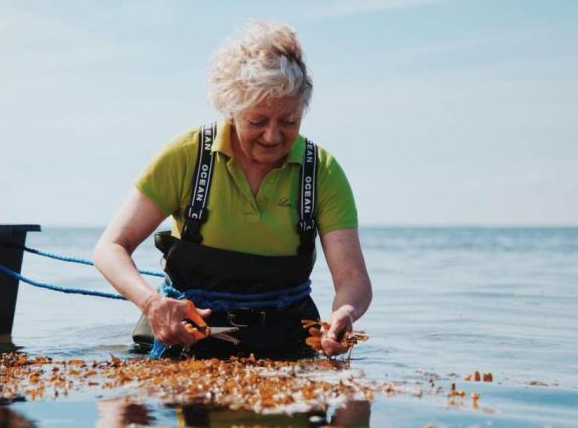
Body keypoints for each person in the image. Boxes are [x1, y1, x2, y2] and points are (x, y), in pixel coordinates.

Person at [94, 20, 372, 359]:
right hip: (186, 338)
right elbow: (110, 247)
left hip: (286, 341)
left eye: (288, 121)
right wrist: (152, 303)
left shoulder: (322, 172)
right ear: (230, 109)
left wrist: (346, 311)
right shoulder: (188, 157)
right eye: (257, 121)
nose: (272, 136)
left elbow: (354, 279)